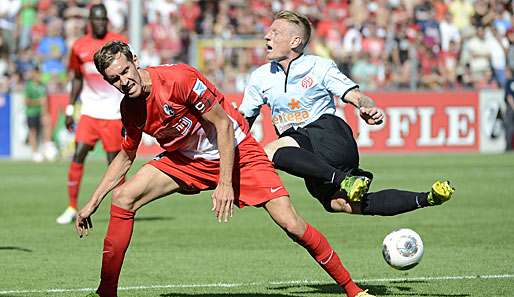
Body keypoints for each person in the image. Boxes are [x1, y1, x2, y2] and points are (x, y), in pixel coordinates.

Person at [76, 41, 375, 297]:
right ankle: (106, 292)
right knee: (123, 198)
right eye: (114, 79)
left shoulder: (179, 79)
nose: (123, 82)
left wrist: (225, 184)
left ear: (135, 62)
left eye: (125, 72)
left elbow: (223, 126)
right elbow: (125, 157)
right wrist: (92, 201)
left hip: (239, 153)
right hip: (187, 161)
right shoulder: (130, 108)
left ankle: (353, 290)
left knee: (292, 225)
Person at [239, 10, 454, 215]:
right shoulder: (260, 77)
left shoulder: (318, 66)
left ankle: (343, 179)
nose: (267, 36)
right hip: (310, 156)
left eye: (275, 33)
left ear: (295, 42)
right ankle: (428, 197)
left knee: (269, 151)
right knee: (341, 204)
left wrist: (366, 106)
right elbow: (242, 122)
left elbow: (356, 95)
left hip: (329, 136)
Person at [56, 4, 128, 224]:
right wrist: (70, 109)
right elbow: (77, 78)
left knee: (114, 163)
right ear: (90, 21)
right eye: (96, 19)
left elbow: (129, 72)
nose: (99, 23)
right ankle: (71, 206)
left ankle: (123, 205)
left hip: (114, 114)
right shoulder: (79, 46)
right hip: (89, 112)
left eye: (103, 19)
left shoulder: (118, 43)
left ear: (107, 20)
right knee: (78, 154)